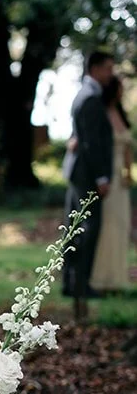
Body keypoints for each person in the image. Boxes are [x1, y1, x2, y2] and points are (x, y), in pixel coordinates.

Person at [62, 49, 115, 321]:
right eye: (108, 68)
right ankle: (78, 285)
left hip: (77, 172)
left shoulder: (82, 95)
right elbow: (92, 142)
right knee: (86, 231)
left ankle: (75, 284)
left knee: (76, 230)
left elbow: (78, 136)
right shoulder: (90, 98)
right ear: (94, 68)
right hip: (87, 175)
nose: (111, 73)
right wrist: (102, 177)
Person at [89, 74, 132, 292]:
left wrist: (128, 172)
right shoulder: (101, 113)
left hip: (121, 179)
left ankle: (117, 277)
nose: (123, 91)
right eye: (120, 87)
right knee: (108, 225)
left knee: (122, 225)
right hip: (107, 175)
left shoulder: (121, 114)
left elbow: (127, 147)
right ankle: (101, 278)